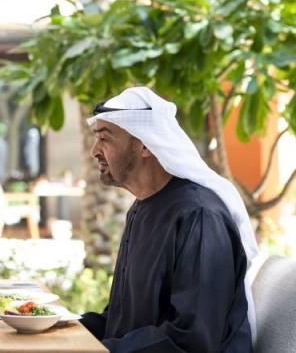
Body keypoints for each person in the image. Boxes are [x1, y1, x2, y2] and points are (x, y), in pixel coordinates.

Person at [81, 87, 257, 353]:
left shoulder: (199, 216)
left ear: (144, 145)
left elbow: (192, 340)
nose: (95, 151)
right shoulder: (142, 208)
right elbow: (122, 321)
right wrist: (61, 327)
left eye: (105, 139)